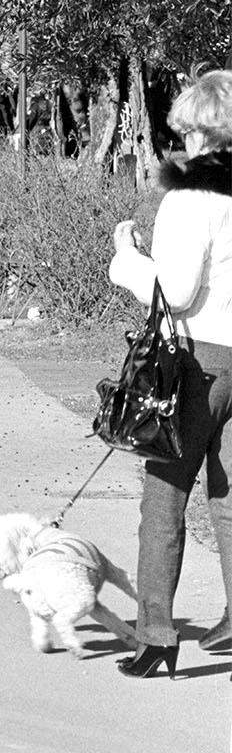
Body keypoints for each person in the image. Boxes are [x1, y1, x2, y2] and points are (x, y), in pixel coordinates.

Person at [107, 69, 232, 676]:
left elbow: (177, 292)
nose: (180, 143)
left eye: (186, 131)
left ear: (203, 134)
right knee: (231, 497)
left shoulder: (190, 199)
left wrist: (126, 259)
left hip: (200, 362)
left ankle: (156, 634)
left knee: (165, 498)